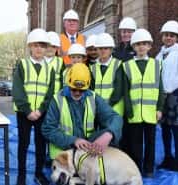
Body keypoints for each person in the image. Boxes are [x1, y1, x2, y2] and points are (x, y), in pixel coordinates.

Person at [42, 63, 122, 160]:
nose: (77, 93)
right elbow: (48, 129)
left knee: (111, 135)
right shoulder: (57, 99)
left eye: (81, 90)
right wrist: (73, 140)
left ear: (87, 85)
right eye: (74, 89)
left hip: (86, 147)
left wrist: (109, 134)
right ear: (68, 83)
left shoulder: (93, 98)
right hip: (64, 149)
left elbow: (115, 118)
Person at [12, 28, 55, 185]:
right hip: (25, 113)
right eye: (36, 45)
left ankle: (39, 173)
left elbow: (50, 94)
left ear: (46, 49)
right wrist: (28, 110)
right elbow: (17, 90)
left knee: (41, 144)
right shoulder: (22, 65)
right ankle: (21, 175)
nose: (39, 49)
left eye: (42, 46)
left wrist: (40, 110)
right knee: (23, 144)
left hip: (41, 114)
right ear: (30, 46)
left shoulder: (50, 69)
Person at [121, 29, 165, 177]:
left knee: (151, 143)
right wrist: (128, 110)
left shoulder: (156, 64)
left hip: (151, 112)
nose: (141, 47)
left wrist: (159, 108)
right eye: (138, 44)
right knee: (136, 144)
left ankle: (148, 169)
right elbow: (125, 91)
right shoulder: (127, 66)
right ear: (133, 46)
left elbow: (160, 89)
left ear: (150, 46)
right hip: (134, 113)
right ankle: (136, 170)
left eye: (144, 44)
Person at [156, 20, 178, 173]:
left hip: (176, 94)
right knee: (165, 128)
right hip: (162, 96)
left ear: (177, 38)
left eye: (172, 35)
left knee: (176, 128)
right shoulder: (158, 56)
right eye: (166, 35)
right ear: (162, 37)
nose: (168, 38)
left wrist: (167, 89)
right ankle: (167, 157)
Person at [90, 33, 124, 117]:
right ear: (97, 50)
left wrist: (107, 105)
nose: (103, 51)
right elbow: (91, 90)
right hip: (98, 110)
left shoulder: (119, 65)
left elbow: (119, 89)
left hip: (114, 111)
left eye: (106, 48)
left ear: (111, 50)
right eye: (100, 48)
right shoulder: (92, 68)